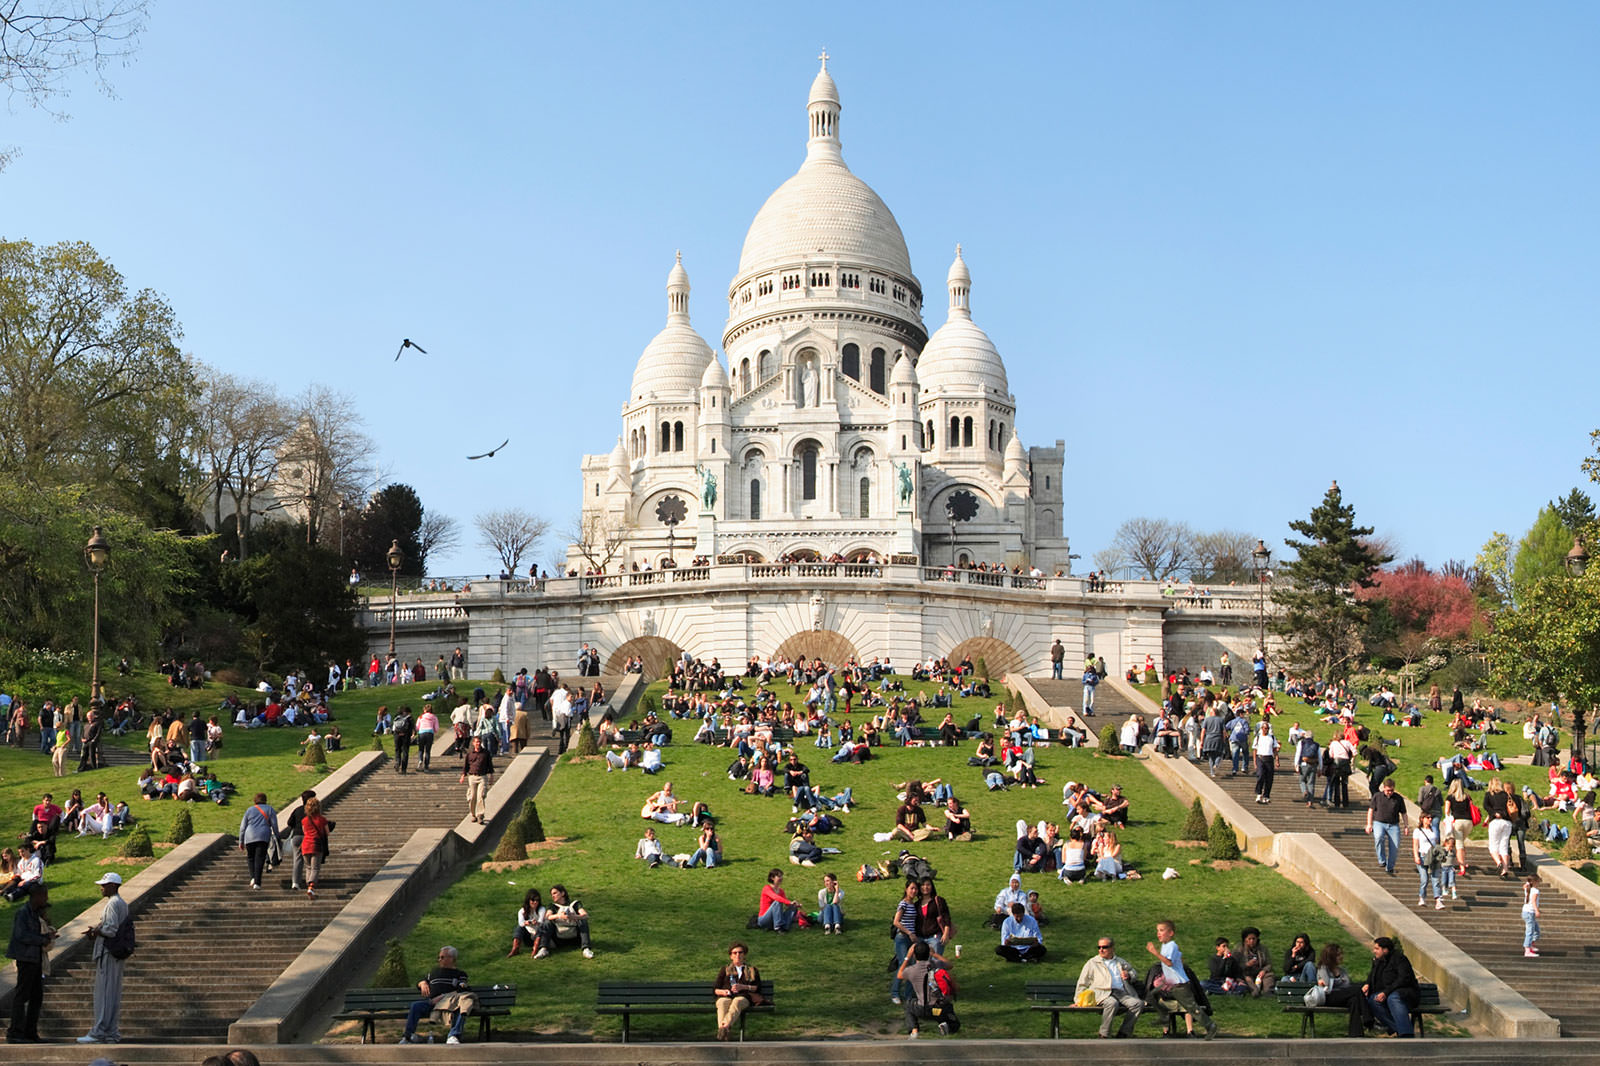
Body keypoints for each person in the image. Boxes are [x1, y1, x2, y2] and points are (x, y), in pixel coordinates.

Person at [77, 872, 130, 1045]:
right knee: (112, 993)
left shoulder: (113, 904)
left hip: (109, 952)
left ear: (113, 886)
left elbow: (111, 929)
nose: (101, 887)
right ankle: (110, 1032)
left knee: (105, 994)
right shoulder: (121, 903)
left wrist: (98, 931)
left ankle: (99, 1032)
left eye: (104, 885)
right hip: (114, 953)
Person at [1144, 918, 1217, 1040]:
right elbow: (1178, 958)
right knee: (1151, 996)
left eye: (1162, 930)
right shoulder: (1165, 946)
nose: (1158, 933)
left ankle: (1210, 1026)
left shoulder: (1171, 945)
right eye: (1157, 930)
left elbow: (1169, 963)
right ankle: (1163, 1016)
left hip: (1180, 984)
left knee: (1192, 1008)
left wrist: (1154, 952)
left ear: (1171, 933)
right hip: (1171, 983)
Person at [6, 883, 55, 1043]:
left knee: (36, 996)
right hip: (26, 958)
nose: (46, 899)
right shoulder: (23, 913)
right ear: (37, 896)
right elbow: (21, 935)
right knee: (22, 995)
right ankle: (15, 1032)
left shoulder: (35, 914)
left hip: (35, 959)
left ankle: (30, 1031)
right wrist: (42, 939)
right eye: (44, 896)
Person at [398, 945, 471, 1044]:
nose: (439, 960)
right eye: (439, 957)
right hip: (432, 1003)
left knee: (461, 1008)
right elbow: (420, 983)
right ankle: (407, 1037)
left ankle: (454, 1035)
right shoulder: (433, 973)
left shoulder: (460, 974)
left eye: (442, 957)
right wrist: (422, 983)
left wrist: (443, 997)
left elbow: (462, 989)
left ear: (451, 958)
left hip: (449, 1004)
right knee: (416, 1006)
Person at [1076, 935, 1145, 1038]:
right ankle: (1104, 1034)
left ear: (1112, 948)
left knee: (1138, 1004)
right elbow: (1082, 982)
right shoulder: (1092, 963)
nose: (1101, 950)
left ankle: (1124, 1033)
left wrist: (1128, 975)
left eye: (1104, 947)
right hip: (1102, 993)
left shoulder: (1120, 961)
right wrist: (1078, 1000)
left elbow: (1134, 973)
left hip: (1121, 992)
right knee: (1112, 1003)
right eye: (1099, 947)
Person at [1362, 936, 1420, 1037]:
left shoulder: (1400, 959)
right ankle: (1399, 1029)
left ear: (1385, 950)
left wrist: (1386, 992)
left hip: (1406, 993)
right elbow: (1372, 974)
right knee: (1373, 1000)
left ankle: (1406, 1034)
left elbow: (1404, 979)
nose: (1374, 951)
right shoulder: (1378, 961)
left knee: (1393, 998)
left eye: (1376, 948)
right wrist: (1368, 984)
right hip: (1387, 993)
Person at [713, 941, 764, 1041]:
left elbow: (756, 987)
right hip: (727, 996)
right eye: (734, 953)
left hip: (744, 997)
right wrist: (724, 992)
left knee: (737, 1001)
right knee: (722, 1002)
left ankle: (723, 1028)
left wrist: (743, 987)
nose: (738, 955)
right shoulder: (725, 969)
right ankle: (725, 1032)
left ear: (744, 954)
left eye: (740, 952)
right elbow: (716, 989)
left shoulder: (752, 970)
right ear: (731, 956)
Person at [1364, 777, 1408, 876]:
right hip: (1379, 822)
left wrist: (1406, 826)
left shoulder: (1398, 798)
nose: (1390, 792)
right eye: (1388, 790)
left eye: (1392, 790)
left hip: (1393, 825)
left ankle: (1390, 867)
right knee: (1379, 837)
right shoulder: (1377, 796)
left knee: (1395, 846)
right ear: (1384, 788)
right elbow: (1371, 810)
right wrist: (1369, 824)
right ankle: (1382, 859)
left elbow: (1404, 813)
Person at [238, 793, 280, 890]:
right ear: (265, 800)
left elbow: (243, 827)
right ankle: (257, 882)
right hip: (263, 836)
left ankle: (252, 877)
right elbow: (274, 825)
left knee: (250, 858)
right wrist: (277, 837)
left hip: (249, 836)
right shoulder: (269, 809)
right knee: (260, 859)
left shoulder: (249, 810)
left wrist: (241, 841)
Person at [546, 883, 594, 958]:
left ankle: (586, 948)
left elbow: (585, 915)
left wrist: (573, 916)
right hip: (559, 937)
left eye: (555, 893)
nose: (553, 896)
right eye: (552, 894)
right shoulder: (552, 906)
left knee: (583, 920)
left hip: (574, 936)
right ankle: (543, 949)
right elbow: (547, 916)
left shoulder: (575, 904)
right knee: (547, 922)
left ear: (562, 893)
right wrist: (559, 915)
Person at [300, 795, 333, 900]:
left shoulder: (304, 820)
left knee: (308, 867)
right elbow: (327, 833)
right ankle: (311, 887)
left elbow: (304, 832)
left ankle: (309, 886)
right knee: (315, 868)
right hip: (316, 845)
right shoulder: (322, 819)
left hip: (305, 845)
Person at [1412, 811, 1446, 910]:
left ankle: (1438, 900)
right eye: (1427, 818)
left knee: (1435, 879)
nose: (1430, 819)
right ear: (1422, 819)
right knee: (1424, 879)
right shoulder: (1418, 831)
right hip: (1422, 856)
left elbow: (1436, 843)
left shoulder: (1433, 830)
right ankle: (1422, 897)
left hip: (1433, 857)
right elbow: (1415, 845)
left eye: (1430, 818)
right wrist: (1416, 856)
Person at [461, 735, 495, 825]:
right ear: (473, 743)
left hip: (482, 777)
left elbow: (490, 765)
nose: (478, 744)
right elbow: (466, 766)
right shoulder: (470, 754)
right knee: (472, 797)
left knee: (481, 796)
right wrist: (463, 775)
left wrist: (491, 776)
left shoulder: (486, 753)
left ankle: (480, 815)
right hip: (472, 777)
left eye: (479, 742)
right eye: (476, 742)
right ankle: (473, 814)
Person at [757, 868, 798, 933]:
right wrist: (789, 902)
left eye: (782, 876)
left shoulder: (781, 891)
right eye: (779, 876)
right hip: (764, 919)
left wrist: (794, 905)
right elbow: (776, 898)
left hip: (775, 918)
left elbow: (786, 902)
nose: (781, 878)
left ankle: (785, 927)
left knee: (793, 907)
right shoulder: (766, 888)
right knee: (778, 902)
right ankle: (778, 927)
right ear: (772, 878)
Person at [507, 888, 547, 957]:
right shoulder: (522, 911)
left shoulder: (541, 909)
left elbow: (541, 921)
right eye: (533, 900)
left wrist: (536, 922)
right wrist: (529, 922)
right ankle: (515, 948)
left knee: (542, 927)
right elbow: (521, 923)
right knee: (519, 928)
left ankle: (535, 948)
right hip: (528, 936)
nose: (535, 902)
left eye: (537, 900)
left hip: (539, 935)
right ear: (528, 900)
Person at [1252, 719, 1279, 804]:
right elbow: (1254, 750)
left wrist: (1277, 759)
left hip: (1269, 758)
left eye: (1267, 728)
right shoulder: (1258, 737)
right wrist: (1255, 762)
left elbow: (1275, 749)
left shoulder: (1272, 737)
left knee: (1269, 778)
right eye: (1264, 728)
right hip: (1260, 757)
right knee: (1260, 776)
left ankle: (1266, 795)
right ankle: (1259, 793)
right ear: (1261, 729)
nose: (1266, 730)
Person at [1522, 871, 1542, 957]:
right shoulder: (1535, 891)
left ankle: (1531, 945)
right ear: (1535, 882)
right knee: (1530, 931)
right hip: (1530, 913)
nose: (1539, 883)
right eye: (1538, 881)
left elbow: (1524, 886)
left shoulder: (1527, 888)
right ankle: (1527, 950)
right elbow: (1533, 902)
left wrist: (1528, 882)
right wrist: (1537, 910)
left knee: (1536, 931)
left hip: (1526, 912)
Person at [391, 705, 414, 774]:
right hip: (406, 736)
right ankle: (404, 769)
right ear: (407, 712)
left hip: (397, 735)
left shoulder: (396, 717)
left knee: (397, 749)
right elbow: (412, 728)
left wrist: (397, 733)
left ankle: (397, 762)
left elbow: (393, 728)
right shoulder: (409, 718)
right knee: (405, 751)